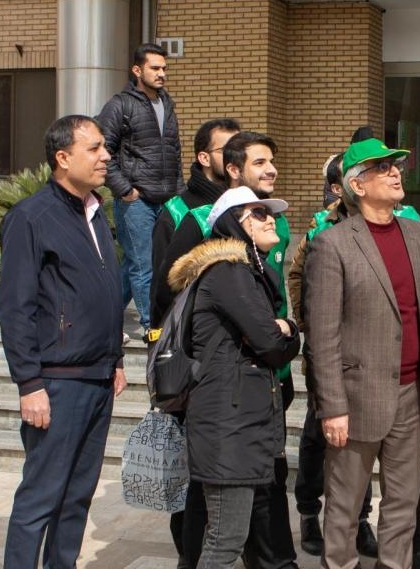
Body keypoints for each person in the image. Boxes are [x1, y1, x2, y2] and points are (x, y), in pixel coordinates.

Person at [156, 130, 298, 569]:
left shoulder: (246, 273)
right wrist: (291, 330)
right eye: (260, 214)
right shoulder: (230, 273)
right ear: (236, 223)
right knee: (224, 542)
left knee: (226, 537)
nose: (271, 220)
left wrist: (281, 331)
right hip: (229, 426)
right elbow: (272, 344)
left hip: (240, 423)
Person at [303, 137, 420, 569]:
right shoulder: (332, 244)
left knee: (404, 504)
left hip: (411, 392)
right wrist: (332, 407)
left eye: (394, 165)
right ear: (357, 185)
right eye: (381, 167)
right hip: (356, 397)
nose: (394, 171)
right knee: (344, 507)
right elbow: (322, 334)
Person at [0, 115, 128, 569]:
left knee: (77, 496)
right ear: (63, 158)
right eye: (94, 148)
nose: (105, 156)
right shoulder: (30, 217)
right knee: (41, 496)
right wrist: (29, 383)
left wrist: (115, 359)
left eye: (104, 147)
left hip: (97, 377)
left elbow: (104, 291)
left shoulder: (97, 214)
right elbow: (15, 307)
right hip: (56, 382)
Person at [288, 152, 378, 560]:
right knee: (316, 434)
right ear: (338, 187)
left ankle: (361, 519)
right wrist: (308, 322)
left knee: (363, 439)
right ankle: (309, 512)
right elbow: (296, 274)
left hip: (369, 355)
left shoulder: (388, 221)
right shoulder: (320, 225)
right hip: (326, 354)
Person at [97, 42, 184, 331]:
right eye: (155, 68)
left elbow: (174, 151)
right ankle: (153, 327)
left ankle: (104, 316)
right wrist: (125, 190)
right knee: (144, 265)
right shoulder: (119, 105)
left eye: (164, 68)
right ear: (137, 70)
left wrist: (179, 193)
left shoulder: (166, 103)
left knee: (137, 264)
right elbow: (103, 152)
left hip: (166, 199)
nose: (162, 74)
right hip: (137, 201)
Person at [151, 118, 241, 327]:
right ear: (204, 158)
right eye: (227, 151)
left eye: (239, 150)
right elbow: (163, 288)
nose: (235, 158)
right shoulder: (177, 210)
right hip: (196, 330)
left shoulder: (248, 205)